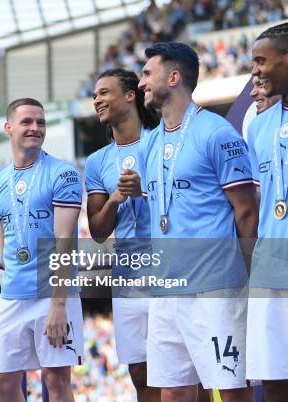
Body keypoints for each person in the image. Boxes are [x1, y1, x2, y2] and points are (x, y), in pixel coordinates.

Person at [137, 42, 258, 402]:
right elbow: (160, 216)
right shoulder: (149, 145)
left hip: (215, 288)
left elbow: (246, 211)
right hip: (166, 290)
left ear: (173, 77)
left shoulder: (217, 133)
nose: (141, 83)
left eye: (147, 74)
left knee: (231, 388)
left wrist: (253, 279)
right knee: (173, 392)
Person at [0, 98, 84, 402]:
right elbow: (5, 248)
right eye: (27, 121)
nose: (35, 128)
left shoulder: (63, 173)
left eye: (40, 122)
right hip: (12, 295)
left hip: (52, 295)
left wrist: (58, 305)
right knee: (1, 382)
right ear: (8, 127)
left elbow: (65, 240)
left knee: (56, 381)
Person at [85, 68, 160, 402]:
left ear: (131, 95)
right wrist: (115, 200)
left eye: (104, 92)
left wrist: (145, 191)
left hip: (170, 267)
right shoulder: (97, 161)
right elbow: (99, 230)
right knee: (141, 373)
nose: (97, 99)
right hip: (128, 275)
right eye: (95, 95)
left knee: (186, 371)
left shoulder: (161, 141)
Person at [247, 22, 288, 402]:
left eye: (262, 61)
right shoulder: (257, 128)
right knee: (273, 376)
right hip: (270, 266)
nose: (255, 71)